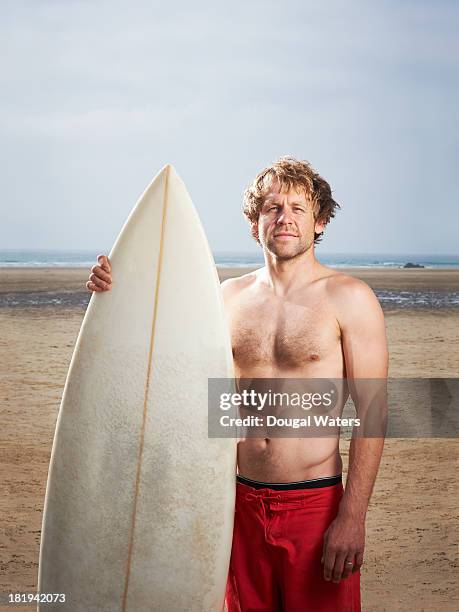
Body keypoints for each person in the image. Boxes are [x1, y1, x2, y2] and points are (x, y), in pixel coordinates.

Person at [87, 156, 388, 611]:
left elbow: (374, 413)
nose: (284, 217)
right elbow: (161, 348)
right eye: (272, 208)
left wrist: (352, 516)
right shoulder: (226, 298)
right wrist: (115, 291)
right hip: (236, 501)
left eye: (298, 208)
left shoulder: (349, 298)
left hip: (314, 504)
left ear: (320, 220)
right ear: (255, 222)